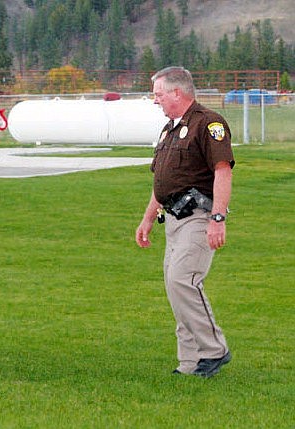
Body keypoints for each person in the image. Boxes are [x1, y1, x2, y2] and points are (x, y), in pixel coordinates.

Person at [135, 66, 235, 378]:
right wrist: (147, 219)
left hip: (199, 217)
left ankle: (215, 350)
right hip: (174, 220)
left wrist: (218, 218)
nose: (156, 100)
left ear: (177, 93)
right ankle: (191, 363)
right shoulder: (168, 130)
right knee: (176, 287)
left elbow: (222, 170)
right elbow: (162, 181)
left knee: (183, 279)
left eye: (159, 94)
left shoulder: (209, 123)